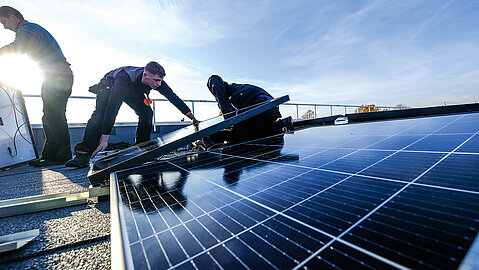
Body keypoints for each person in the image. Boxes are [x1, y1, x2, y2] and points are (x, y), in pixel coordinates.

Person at [65, 61, 199, 168]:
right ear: (145, 76)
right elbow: (112, 108)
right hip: (110, 87)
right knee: (99, 116)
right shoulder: (123, 78)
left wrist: (193, 119)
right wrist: (104, 140)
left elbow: (173, 97)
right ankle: (83, 154)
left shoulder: (157, 81)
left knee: (146, 112)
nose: (159, 84)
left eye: (160, 81)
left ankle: (142, 148)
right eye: (156, 80)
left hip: (132, 91)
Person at [0, 6, 74, 166]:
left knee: (53, 116)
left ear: (12, 16)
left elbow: (18, 47)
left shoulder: (27, 28)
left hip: (57, 76)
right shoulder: (30, 29)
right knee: (51, 115)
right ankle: (54, 155)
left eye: (3, 22)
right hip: (57, 75)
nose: (4, 27)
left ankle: (59, 156)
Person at [206, 75, 293, 144]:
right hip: (270, 110)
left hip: (262, 108)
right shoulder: (238, 90)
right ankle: (280, 125)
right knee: (250, 131)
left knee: (237, 135)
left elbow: (229, 116)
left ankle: (279, 127)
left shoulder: (233, 94)